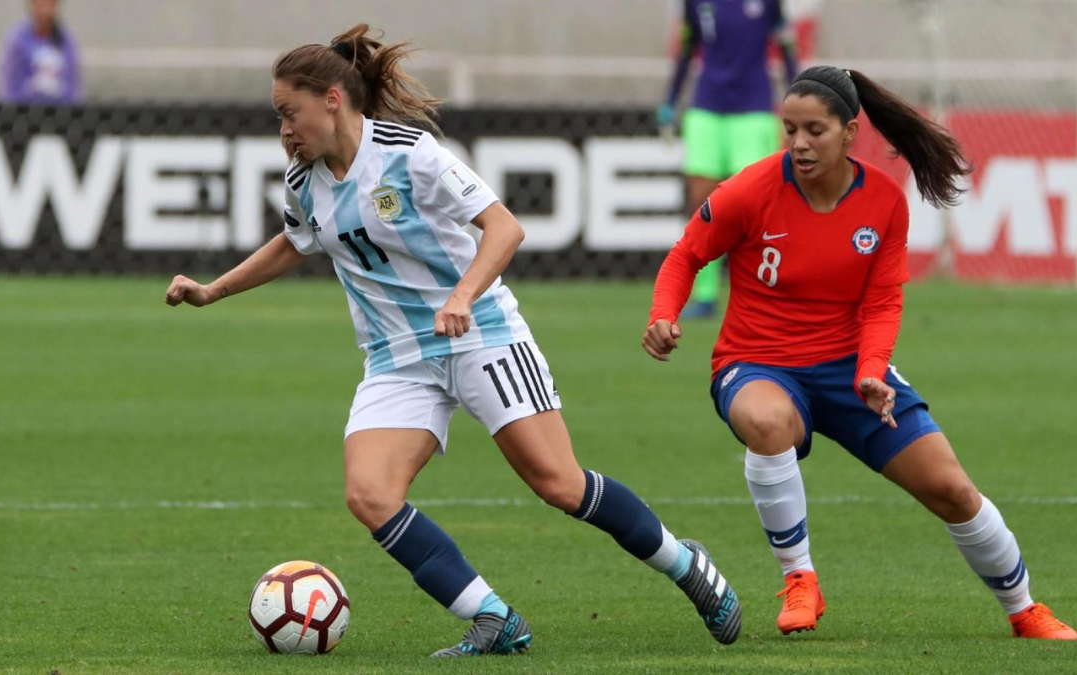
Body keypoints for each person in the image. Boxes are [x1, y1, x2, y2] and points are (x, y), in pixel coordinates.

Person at [165, 24, 742, 658]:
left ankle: (684, 562)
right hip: (396, 359)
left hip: (481, 335)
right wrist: (214, 290)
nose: (284, 130)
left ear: (331, 99)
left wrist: (463, 295)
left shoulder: (409, 152)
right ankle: (492, 617)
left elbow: (504, 228)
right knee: (369, 494)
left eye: (289, 112)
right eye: (278, 117)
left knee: (560, 484)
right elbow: (295, 242)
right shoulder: (303, 182)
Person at [643, 65, 1077, 640]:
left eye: (815, 130)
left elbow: (882, 303)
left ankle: (1024, 610)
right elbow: (686, 256)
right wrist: (663, 315)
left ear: (850, 132)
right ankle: (800, 578)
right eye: (790, 129)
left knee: (951, 488)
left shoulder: (883, 200)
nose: (799, 143)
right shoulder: (749, 190)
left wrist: (872, 373)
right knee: (766, 422)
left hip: (851, 370)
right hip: (758, 364)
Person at [659, 0, 797, 318]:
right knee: (702, 202)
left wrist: (798, 96)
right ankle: (705, 295)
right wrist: (671, 99)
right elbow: (687, 48)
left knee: (755, 207)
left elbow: (786, 46)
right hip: (706, 107)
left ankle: (760, 292)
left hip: (754, 109)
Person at [0, 0, 83, 105]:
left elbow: (73, 88)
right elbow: (9, 90)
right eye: (40, 5)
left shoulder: (66, 41)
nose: (45, 11)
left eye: (49, 4)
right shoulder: (17, 40)